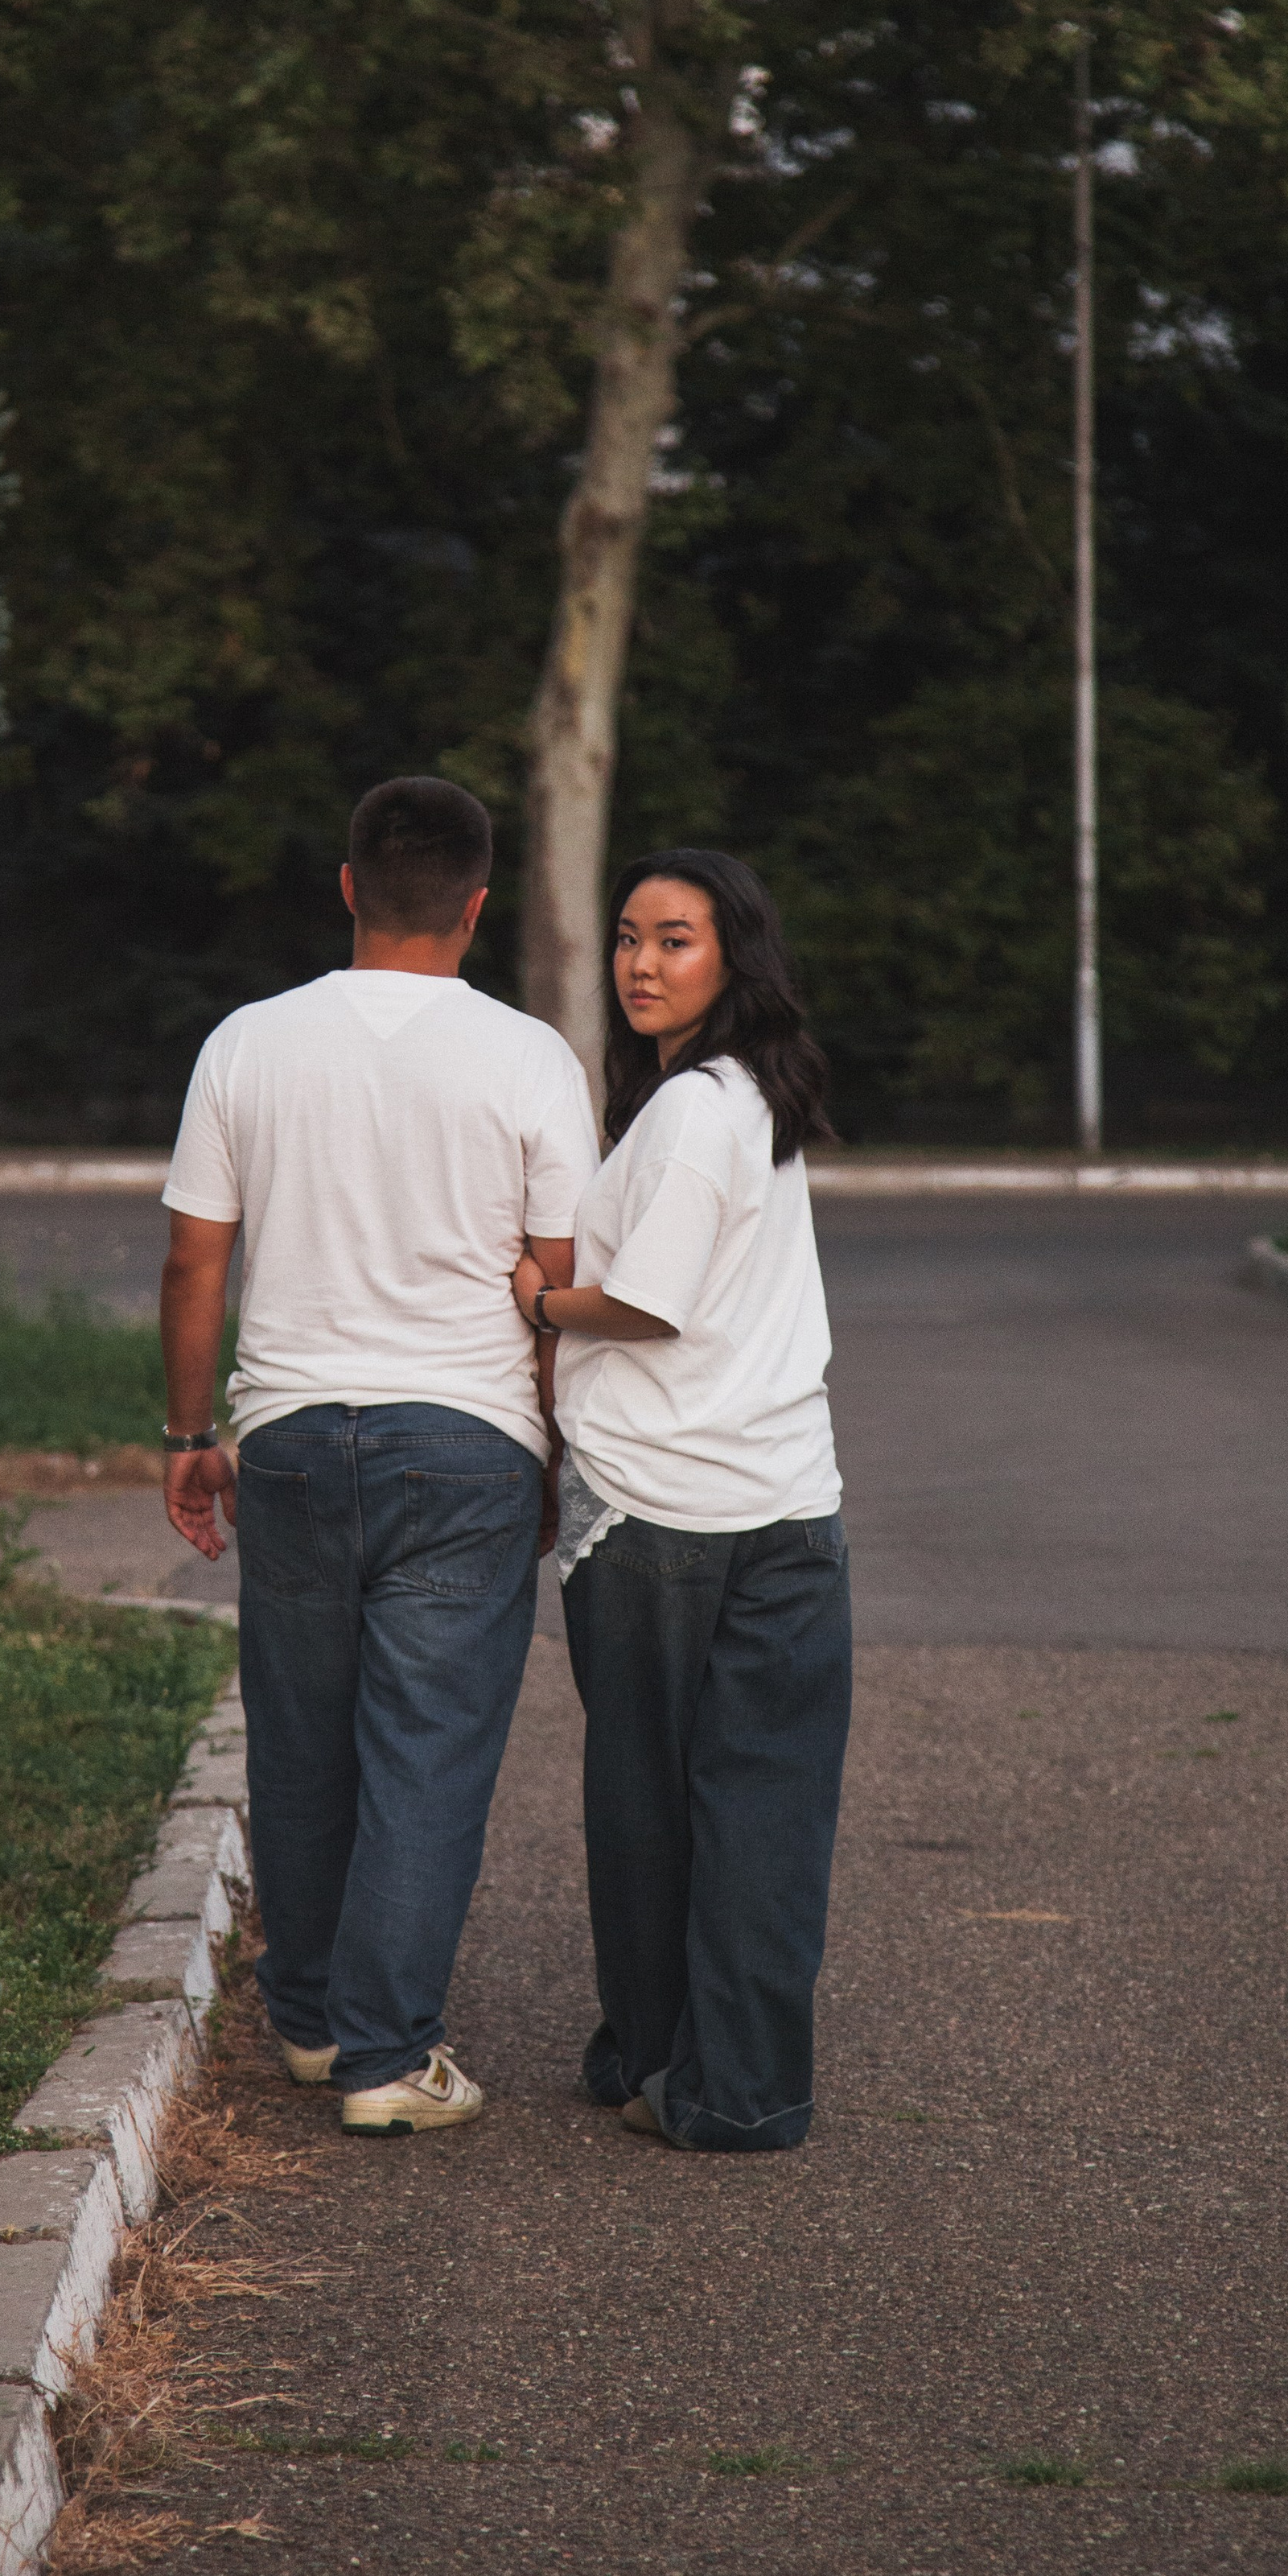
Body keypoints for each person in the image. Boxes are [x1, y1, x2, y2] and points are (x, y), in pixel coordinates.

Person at [160, 778, 599, 2137]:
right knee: (428, 1750)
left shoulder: (248, 1042)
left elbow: (194, 1258)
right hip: (466, 1442)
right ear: (479, 907)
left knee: (301, 1740)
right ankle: (388, 2059)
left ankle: (306, 2024)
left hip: (287, 1436)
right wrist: (546, 1454)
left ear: (347, 888)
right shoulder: (529, 1056)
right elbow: (563, 1277)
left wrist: (189, 1435)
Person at [512, 847, 852, 2154]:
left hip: (659, 1515)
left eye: (676, 941)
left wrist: (540, 1303)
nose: (642, 964)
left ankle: (688, 2072)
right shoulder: (748, 1096)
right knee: (766, 1809)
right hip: (787, 1503)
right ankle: (703, 2071)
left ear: (735, 957)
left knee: (651, 1804)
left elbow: (645, 1302)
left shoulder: (696, 1113)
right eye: (629, 938)